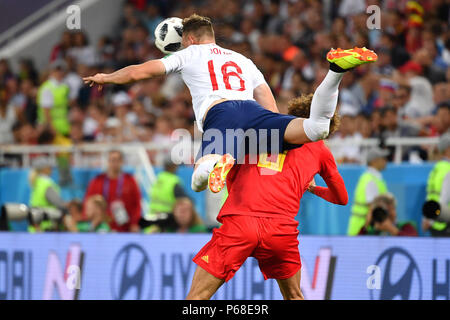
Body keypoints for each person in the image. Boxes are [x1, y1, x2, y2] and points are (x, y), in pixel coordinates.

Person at [83, 13, 377, 194]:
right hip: (253, 112)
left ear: (192, 38)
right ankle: (336, 72)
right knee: (316, 129)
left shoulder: (189, 54)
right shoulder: (242, 60)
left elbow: (140, 71)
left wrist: (106, 77)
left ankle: (214, 164)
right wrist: (271, 139)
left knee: (199, 180)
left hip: (220, 113)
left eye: (184, 40)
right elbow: (266, 99)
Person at [186, 94, 348, 300]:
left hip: (241, 223)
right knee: (294, 296)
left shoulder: (258, 131)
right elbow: (341, 197)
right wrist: (313, 188)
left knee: (197, 297)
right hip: (281, 231)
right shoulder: (321, 151)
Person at [83, 150, 141, 232]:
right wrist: (89, 220)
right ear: (108, 161)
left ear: (122, 162)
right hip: (101, 227)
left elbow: (137, 204)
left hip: (125, 226)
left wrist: (134, 223)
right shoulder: (97, 181)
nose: (115, 163)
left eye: (117, 160)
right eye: (112, 160)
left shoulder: (130, 181)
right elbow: (88, 203)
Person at [347, 147, 389, 236]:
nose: (386, 161)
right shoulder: (370, 180)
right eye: (383, 158)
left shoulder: (372, 178)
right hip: (362, 231)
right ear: (374, 161)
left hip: (361, 230)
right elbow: (372, 208)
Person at [28, 157, 67, 232]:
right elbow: (58, 203)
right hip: (45, 227)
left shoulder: (37, 182)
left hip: (36, 226)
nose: (51, 169)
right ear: (44, 169)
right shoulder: (46, 183)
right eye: (49, 167)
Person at [422, 133, 450, 236]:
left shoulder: (436, 169)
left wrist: (427, 219)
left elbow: (430, 196)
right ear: (448, 149)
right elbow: (444, 199)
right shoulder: (448, 170)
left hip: (434, 222)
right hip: (444, 222)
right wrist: (432, 219)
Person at [36, 59, 71, 137]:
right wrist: (52, 128)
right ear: (51, 71)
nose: (59, 72)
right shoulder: (47, 88)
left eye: (61, 70)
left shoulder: (64, 86)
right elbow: (46, 111)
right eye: (57, 70)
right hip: (51, 128)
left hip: (63, 125)